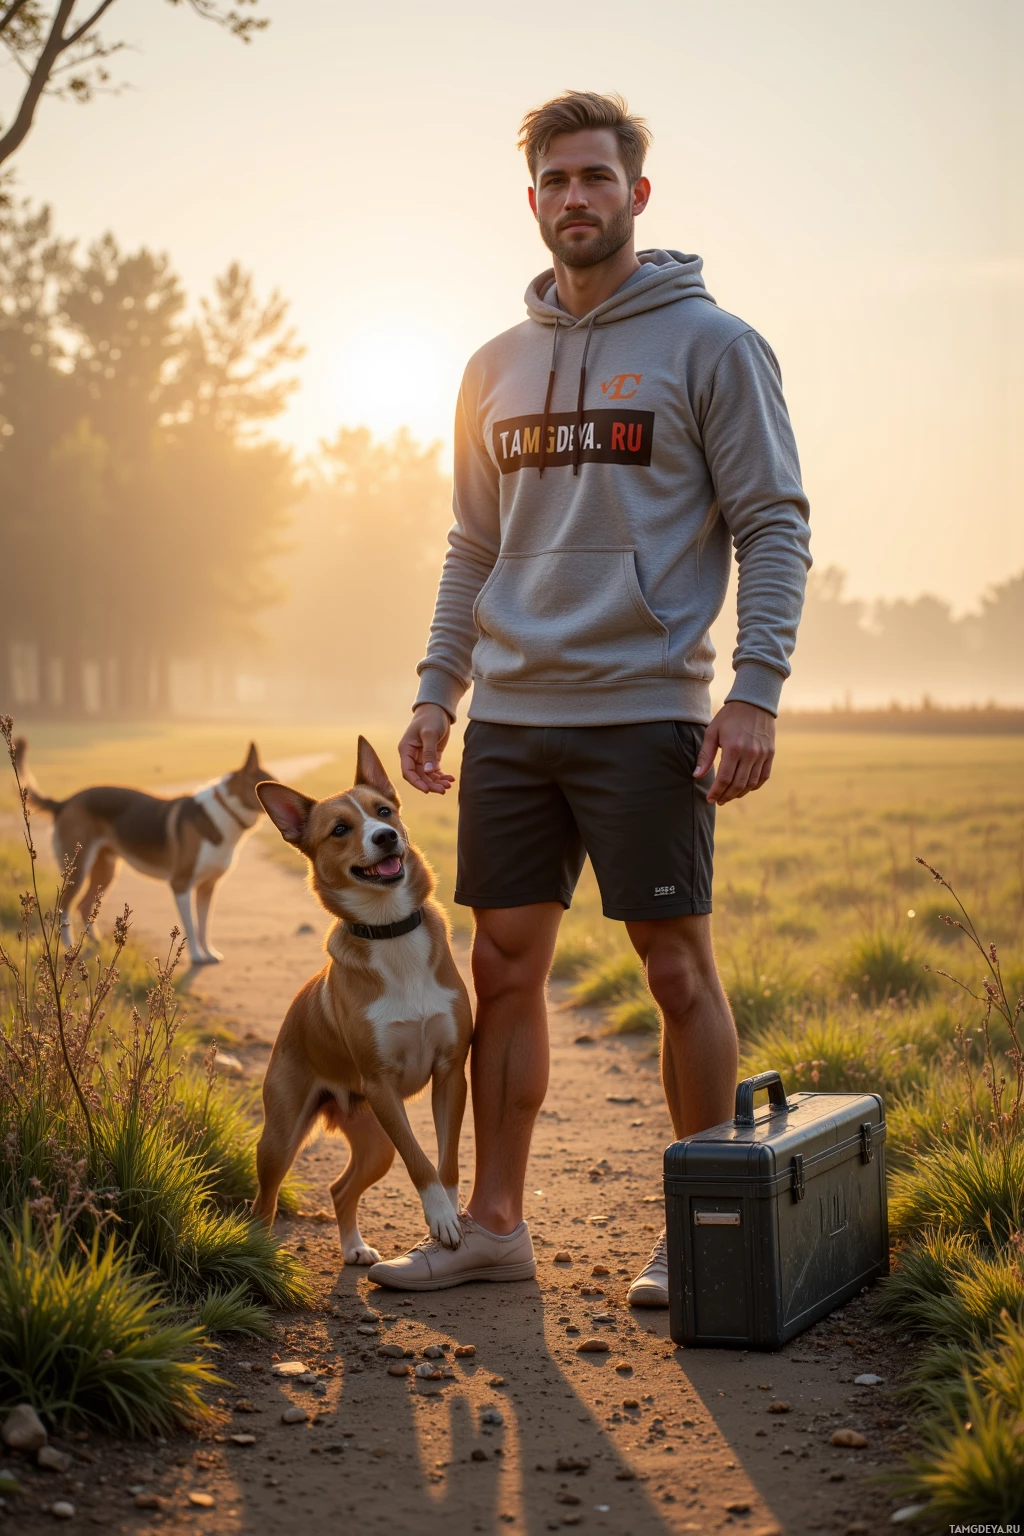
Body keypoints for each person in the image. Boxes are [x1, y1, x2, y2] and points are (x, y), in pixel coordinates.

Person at [367, 90, 811, 1304]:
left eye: (595, 178)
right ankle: (496, 1225)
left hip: (647, 706)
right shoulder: (492, 367)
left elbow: (772, 522)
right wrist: (436, 689)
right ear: (532, 202)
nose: (575, 198)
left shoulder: (712, 344)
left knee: (676, 974)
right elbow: (470, 545)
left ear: (636, 195)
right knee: (502, 968)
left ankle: (699, 1223)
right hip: (512, 716)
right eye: (555, 181)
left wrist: (756, 691)